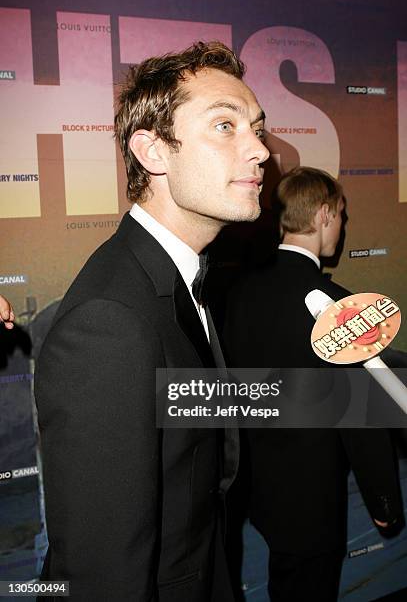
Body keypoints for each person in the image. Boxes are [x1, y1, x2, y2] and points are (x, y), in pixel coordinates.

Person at [34, 41, 269, 601]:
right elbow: (101, 571)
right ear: (153, 151)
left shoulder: (177, 276)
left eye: (257, 128)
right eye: (225, 126)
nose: (259, 149)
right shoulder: (109, 321)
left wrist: (370, 390)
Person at [223, 167, 403, 602]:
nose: (342, 227)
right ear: (324, 214)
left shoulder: (231, 290)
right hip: (311, 499)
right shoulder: (338, 308)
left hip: (249, 488)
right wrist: (384, 502)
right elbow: (361, 421)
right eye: (341, 215)